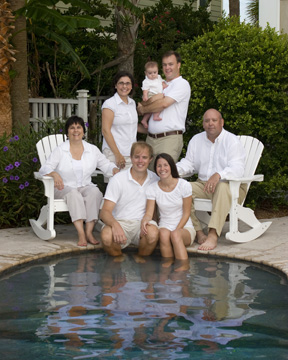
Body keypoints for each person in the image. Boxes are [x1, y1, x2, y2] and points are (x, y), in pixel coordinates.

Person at [39, 115, 119, 247]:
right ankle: (81, 234)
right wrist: (53, 173)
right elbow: (44, 168)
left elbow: (105, 165)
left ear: (83, 131)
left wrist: (114, 170)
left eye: (78, 127)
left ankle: (89, 232)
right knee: (74, 194)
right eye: (72, 128)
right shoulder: (60, 150)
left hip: (84, 185)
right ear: (67, 132)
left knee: (95, 193)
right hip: (62, 187)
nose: (75, 130)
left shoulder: (92, 150)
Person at [176, 109, 247, 251]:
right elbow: (189, 163)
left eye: (214, 120)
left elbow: (238, 168)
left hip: (231, 187)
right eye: (207, 121)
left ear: (221, 122)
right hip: (204, 185)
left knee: (221, 187)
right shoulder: (197, 140)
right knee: (180, 187)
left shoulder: (232, 140)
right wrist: (172, 171)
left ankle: (213, 234)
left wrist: (218, 175)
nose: (210, 124)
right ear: (203, 124)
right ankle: (198, 232)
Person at [100, 141, 159, 259]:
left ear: (150, 159)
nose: (140, 161)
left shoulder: (155, 179)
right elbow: (105, 212)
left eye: (144, 157)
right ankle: (118, 259)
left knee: (153, 234)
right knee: (106, 236)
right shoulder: (118, 179)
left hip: (142, 224)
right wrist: (115, 225)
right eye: (136, 157)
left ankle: (141, 258)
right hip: (120, 222)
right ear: (131, 158)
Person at [137, 51, 191, 169]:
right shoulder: (159, 83)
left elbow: (163, 104)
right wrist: (148, 103)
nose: (167, 68)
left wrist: (144, 108)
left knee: (164, 178)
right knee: (147, 179)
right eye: (165, 65)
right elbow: (145, 101)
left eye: (170, 64)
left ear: (179, 65)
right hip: (150, 139)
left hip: (169, 139)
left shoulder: (182, 84)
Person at [141, 153, 196, 269]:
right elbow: (149, 213)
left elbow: (187, 213)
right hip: (165, 227)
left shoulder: (183, 185)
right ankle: (167, 265)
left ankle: (183, 267)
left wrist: (177, 230)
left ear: (171, 166)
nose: (162, 169)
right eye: (159, 166)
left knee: (175, 235)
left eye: (165, 165)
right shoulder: (152, 188)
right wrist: (145, 220)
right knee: (164, 233)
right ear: (156, 169)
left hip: (184, 228)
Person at [101, 71, 143, 172]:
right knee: (116, 186)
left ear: (132, 86)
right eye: (121, 83)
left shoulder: (132, 103)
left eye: (128, 83)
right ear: (115, 85)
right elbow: (105, 130)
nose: (124, 86)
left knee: (131, 185)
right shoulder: (110, 104)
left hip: (131, 154)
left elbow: (132, 126)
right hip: (115, 154)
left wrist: (153, 129)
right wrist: (117, 155)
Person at [140, 61, 167, 129]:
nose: (153, 74)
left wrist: (164, 84)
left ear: (157, 71)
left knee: (151, 109)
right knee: (157, 105)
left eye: (155, 72)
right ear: (146, 73)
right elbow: (145, 89)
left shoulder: (158, 77)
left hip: (157, 95)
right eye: (150, 73)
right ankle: (155, 116)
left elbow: (162, 81)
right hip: (151, 95)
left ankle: (144, 120)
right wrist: (145, 96)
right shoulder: (146, 81)